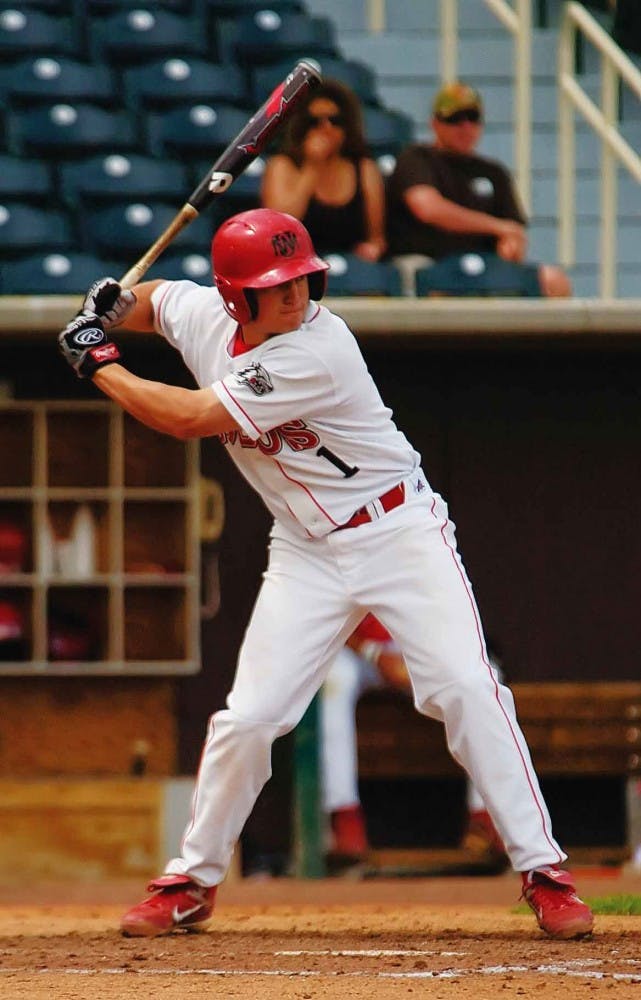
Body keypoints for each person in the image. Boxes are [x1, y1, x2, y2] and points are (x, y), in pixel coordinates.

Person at [56, 207, 593, 942]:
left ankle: (543, 871)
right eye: (275, 285)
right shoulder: (206, 312)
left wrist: (99, 361)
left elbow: (187, 416)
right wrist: (117, 306)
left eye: (302, 278)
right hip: (306, 548)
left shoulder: (318, 347)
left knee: (466, 687)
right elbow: (160, 303)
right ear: (233, 298)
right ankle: (190, 880)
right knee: (249, 717)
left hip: (397, 529)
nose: (295, 294)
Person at [322, 615, 509, 874]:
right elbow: (325, 616)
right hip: (354, 648)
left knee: (484, 677)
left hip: (420, 644)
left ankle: (485, 817)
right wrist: (373, 652)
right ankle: (341, 816)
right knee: (333, 678)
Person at [386, 81, 572, 298]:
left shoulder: (494, 172)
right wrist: (497, 228)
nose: (465, 127)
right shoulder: (416, 158)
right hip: (427, 261)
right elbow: (427, 208)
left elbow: (514, 232)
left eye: (473, 119)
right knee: (428, 282)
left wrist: (509, 245)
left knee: (553, 281)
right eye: (455, 119)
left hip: (484, 263)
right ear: (435, 124)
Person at [261, 78, 387, 262]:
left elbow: (376, 238)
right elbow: (280, 228)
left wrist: (373, 249)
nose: (326, 128)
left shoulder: (364, 168)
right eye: (315, 122)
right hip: (296, 264)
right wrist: (312, 166)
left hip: (351, 267)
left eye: (335, 121)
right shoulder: (282, 166)